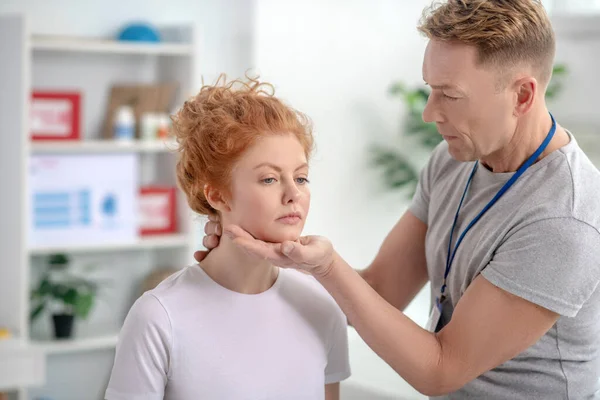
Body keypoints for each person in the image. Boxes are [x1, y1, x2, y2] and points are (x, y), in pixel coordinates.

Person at [196, 1, 600, 398]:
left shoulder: (564, 220)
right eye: (430, 89)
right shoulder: (453, 161)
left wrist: (327, 265)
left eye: (451, 95)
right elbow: (380, 289)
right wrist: (259, 254)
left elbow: (441, 370)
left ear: (522, 96)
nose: (429, 113)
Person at [105, 77, 350, 400]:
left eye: (301, 177)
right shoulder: (158, 317)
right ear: (218, 195)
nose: (294, 194)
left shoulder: (320, 306)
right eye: (269, 179)